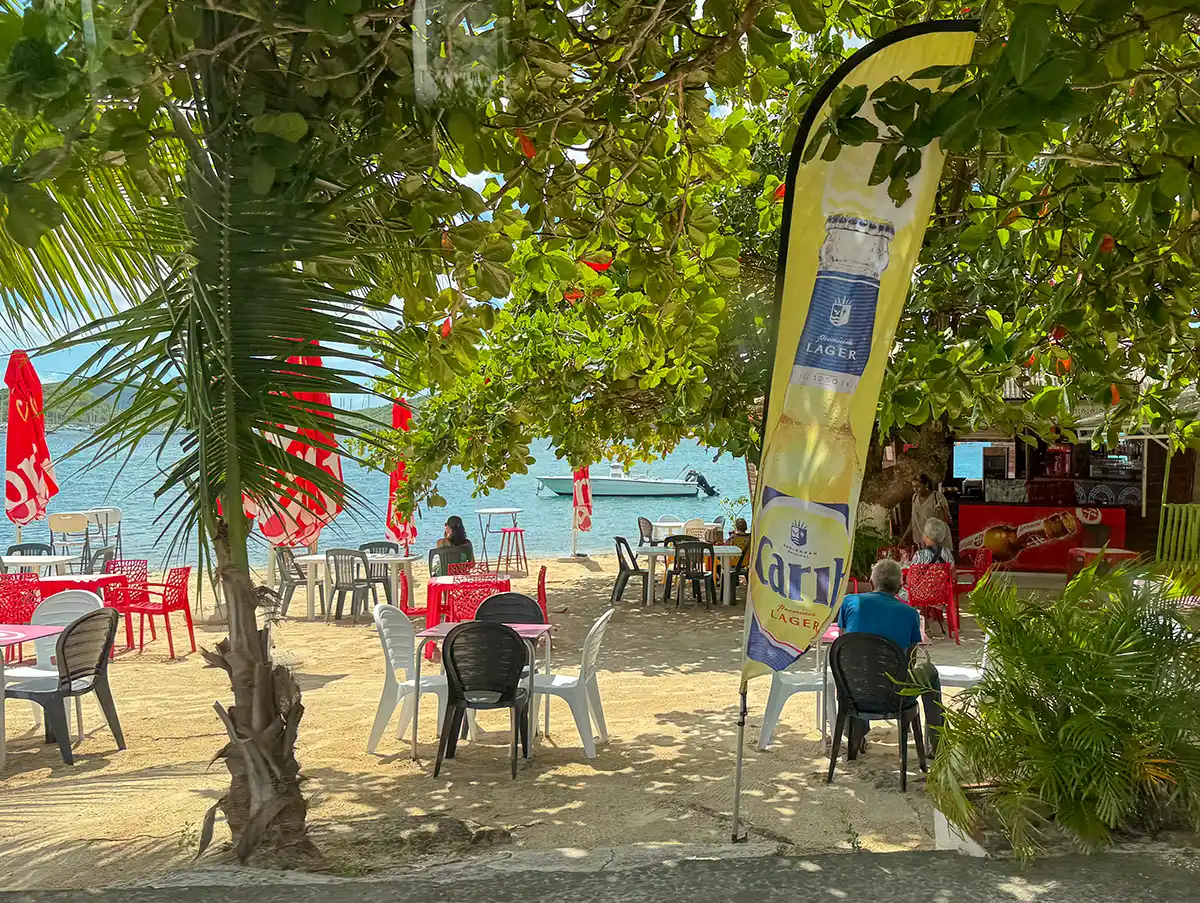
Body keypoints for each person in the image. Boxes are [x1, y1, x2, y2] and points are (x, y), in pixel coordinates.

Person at [835, 559, 923, 755]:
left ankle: (855, 737)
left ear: (872, 582)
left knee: (855, 666)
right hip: (894, 693)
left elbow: (846, 645)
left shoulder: (850, 602)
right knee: (930, 674)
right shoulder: (909, 613)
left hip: (854, 689)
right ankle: (936, 742)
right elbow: (911, 658)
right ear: (900, 585)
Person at [906, 474, 950, 545]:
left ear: (926, 485)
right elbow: (913, 520)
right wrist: (904, 538)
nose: (915, 489)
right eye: (914, 486)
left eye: (918, 486)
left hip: (938, 542)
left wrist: (941, 508)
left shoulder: (937, 497)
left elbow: (948, 519)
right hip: (922, 541)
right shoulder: (914, 498)